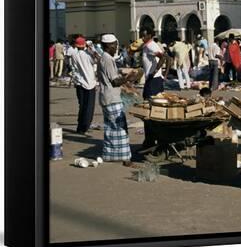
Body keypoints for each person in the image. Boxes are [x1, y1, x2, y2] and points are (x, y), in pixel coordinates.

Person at [97, 33, 133, 166]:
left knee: (111, 129)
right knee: (120, 128)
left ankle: (109, 155)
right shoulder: (107, 59)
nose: (116, 47)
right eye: (114, 45)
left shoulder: (106, 58)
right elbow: (115, 81)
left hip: (107, 97)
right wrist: (129, 77)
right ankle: (126, 159)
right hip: (112, 98)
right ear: (108, 46)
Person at [67, 36, 97, 134]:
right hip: (89, 83)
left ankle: (80, 127)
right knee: (89, 107)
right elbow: (97, 59)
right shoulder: (87, 55)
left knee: (82, 105)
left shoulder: (75, 54)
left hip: (80, 83)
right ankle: (85, 127)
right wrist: (91, 48)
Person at [141, 29, 170, 99]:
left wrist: (155, 71)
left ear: (149, 36)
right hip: (153, 78)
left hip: (153, 79)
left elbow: (163, 57)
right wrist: (165, 75)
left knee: (150, 102)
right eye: (141, 36)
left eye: (144, 36)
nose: (142, 38)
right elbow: (168, 58)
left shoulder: (150, 46)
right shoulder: (148, 45)